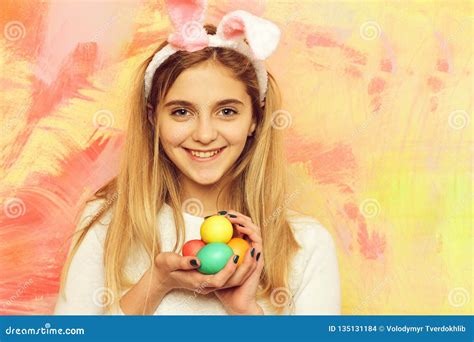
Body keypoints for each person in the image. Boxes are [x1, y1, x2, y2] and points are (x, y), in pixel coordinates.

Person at [55, 0, 340, 316]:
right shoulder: (106, 224)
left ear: (255, 120)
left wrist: (245, 312)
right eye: (181, 111)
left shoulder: (306, 242)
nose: (204, 134)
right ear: (153, 119)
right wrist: (157, 283)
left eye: (227, 111)